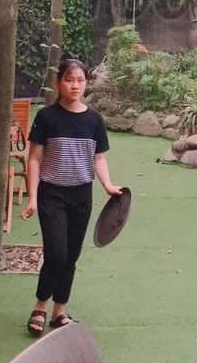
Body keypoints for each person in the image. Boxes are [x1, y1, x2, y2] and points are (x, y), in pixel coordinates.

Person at [20, 58, 123, 337]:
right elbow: (34, 159)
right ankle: (40, 305)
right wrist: (32, 197)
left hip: (81, 195)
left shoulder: (94, 119)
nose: (75, 85)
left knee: (71, 255)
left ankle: (59, 311)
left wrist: (108, 185)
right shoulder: (46, 117)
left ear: (86, 83)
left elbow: (98, 157)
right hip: (51, 194)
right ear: (59, 83)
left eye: (80, 80)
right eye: (69, 80)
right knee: (56, 252)